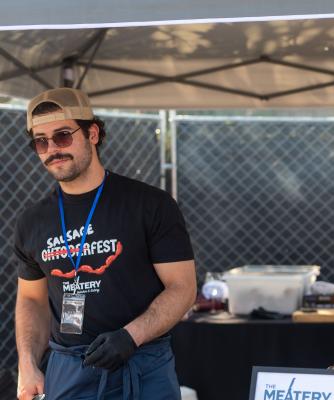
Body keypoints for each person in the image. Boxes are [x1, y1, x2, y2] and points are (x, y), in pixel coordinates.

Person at [14, 87, 197, 400]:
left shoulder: (149, 204)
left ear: (93, 133)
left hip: (141, 365)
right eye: (40, 141)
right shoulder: (32, 221)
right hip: (70, 369)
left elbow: (183, 288)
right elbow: (31, 300)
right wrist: (28, 364)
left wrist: (130, 336)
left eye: (62, 136)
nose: (51, 149)